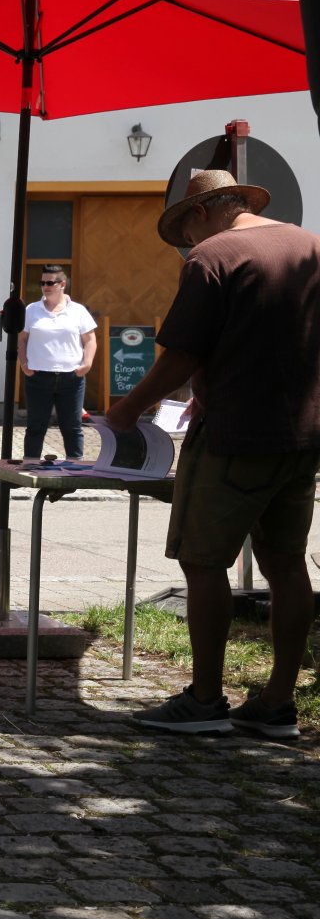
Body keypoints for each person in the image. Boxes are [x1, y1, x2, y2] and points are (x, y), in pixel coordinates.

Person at [108, 170, 320, 738]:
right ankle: (277, 702)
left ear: (202, 212)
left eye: (186, 231)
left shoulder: (213, 257)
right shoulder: (311, 246)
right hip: (302, 435)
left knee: (202, 563)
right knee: (286, 564)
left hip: (234, 435)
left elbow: (180, 356)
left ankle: (204, 700)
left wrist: (127, 410)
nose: (188, 244)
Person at [18, 264, 97, 460]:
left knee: (72, 427)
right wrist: (24, 363)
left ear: (63, 284)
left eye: (50, 283)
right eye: (42, 283)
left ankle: (75, 469)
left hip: (71, 377)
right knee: (35, 427)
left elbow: (90, 340)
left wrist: (87, 364)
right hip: (38, 377)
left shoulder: (78, 310)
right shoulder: (31, 310)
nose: (45, 287)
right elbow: (22, 339)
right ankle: (30, 467)